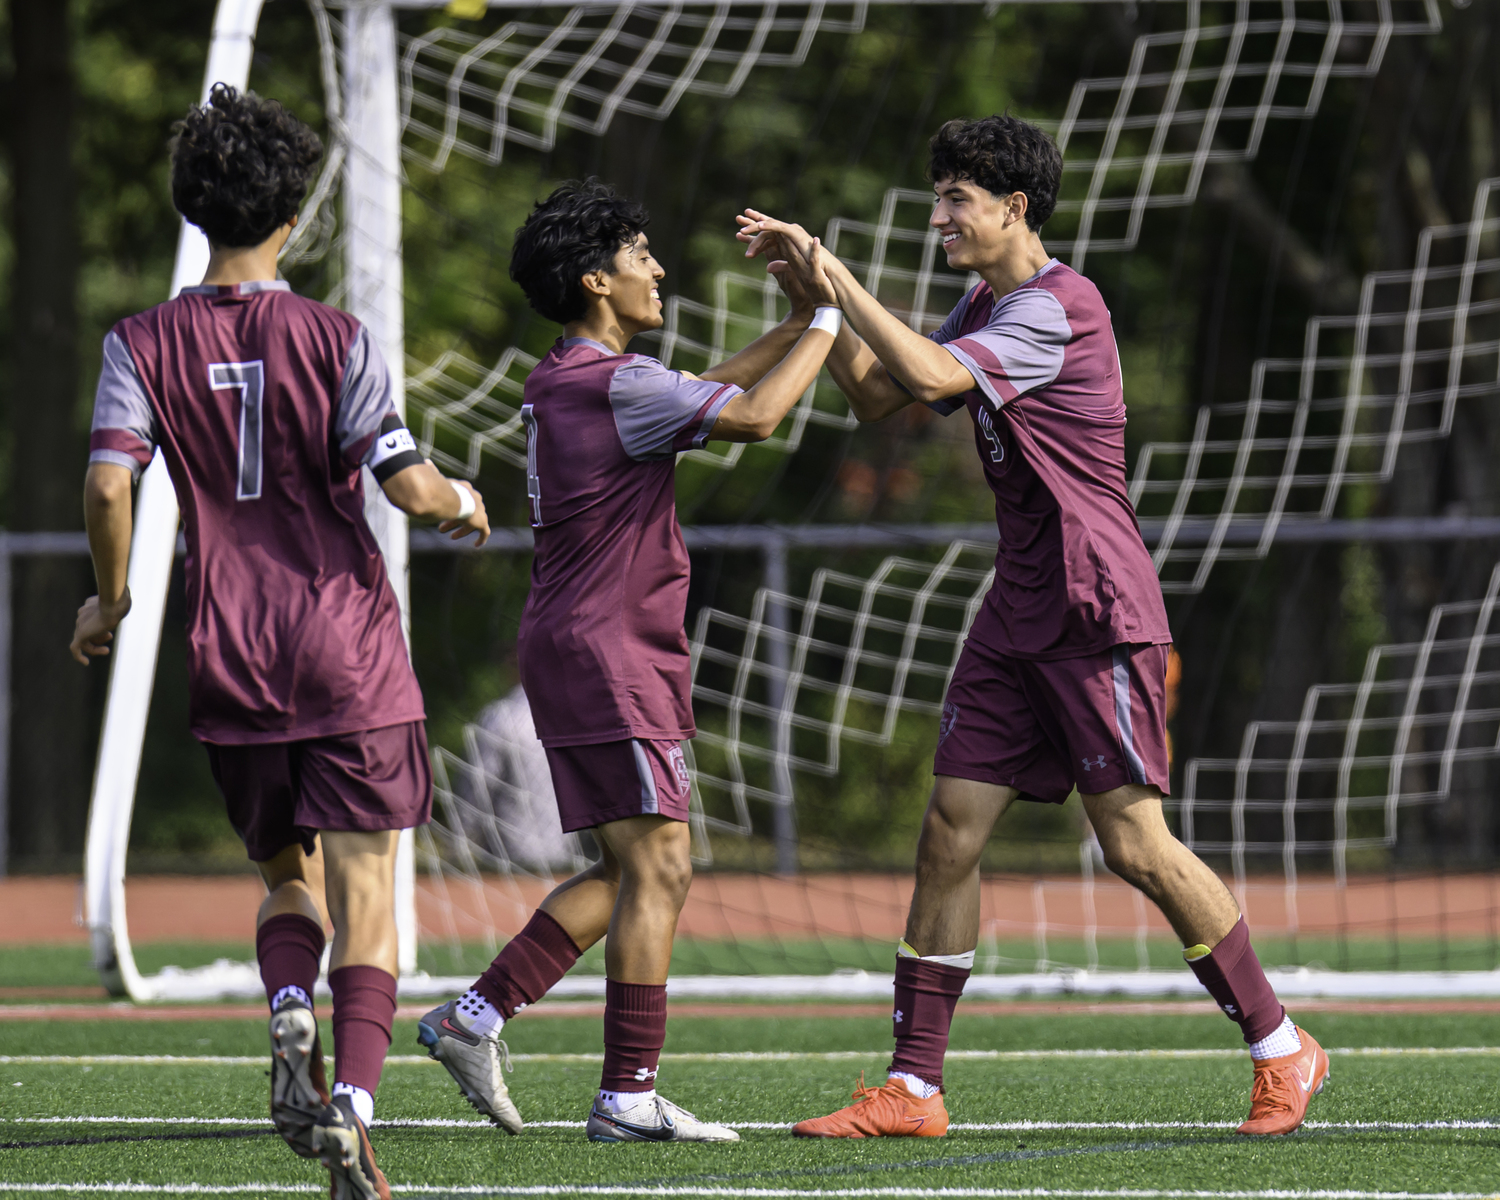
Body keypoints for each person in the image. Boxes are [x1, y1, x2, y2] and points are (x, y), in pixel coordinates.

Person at [737, 113, 1329, 1140]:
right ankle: (914, 1088)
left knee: (1134, 846)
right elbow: (883, 399)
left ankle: (1284, 1047)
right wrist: (811, 295)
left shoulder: (1061, 308)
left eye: (956, 200)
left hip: (1094, 605)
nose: (938, 218)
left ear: (1014, 207)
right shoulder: (984, 299)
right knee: (947, 835)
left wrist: (838, 276)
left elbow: (925, 378)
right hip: (1018, 609)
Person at [72, 85, 490, 1200]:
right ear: (294, 217)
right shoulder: (334, 335)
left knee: (284, 882)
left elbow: (110, 484)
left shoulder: (139, 340)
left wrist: (108, 602)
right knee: (371, 895)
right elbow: (405, 483)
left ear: (191, 208)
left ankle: (289, 1005)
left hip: (233, 652)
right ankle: (350, 1106)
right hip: (346, 649)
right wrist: (462, 500)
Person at [416, 178, 841, 1144]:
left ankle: (472, 1017)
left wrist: (795, 322)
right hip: (610, 650)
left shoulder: (573, 378)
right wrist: (825, 319)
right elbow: (754, 417)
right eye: (641, 253)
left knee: (636, 867)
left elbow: (707, 393)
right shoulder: (614, 383)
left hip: (582, 643)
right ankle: (626, 1096)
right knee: (663, 862)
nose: (658, 268)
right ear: (597, 278)